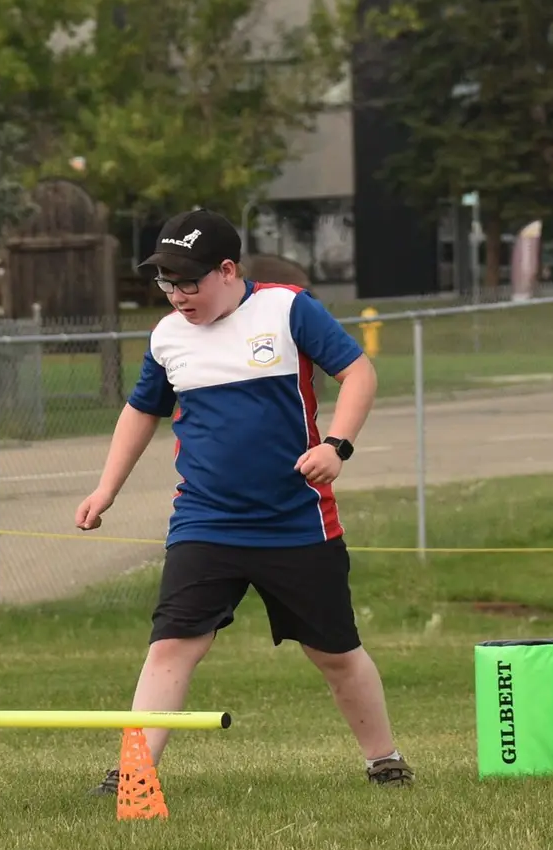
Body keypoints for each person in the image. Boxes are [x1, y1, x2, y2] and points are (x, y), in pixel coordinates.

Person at [74, 210, 413, 791]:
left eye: (187, 282)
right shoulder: (167, 336)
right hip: (205, 522)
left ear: (226, 270)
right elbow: (140, 411)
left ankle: (384, 759)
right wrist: (106, 488)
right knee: (173, 645)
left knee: (335, 653)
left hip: (296, 522)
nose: (177, 295)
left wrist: (337, 446)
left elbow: (358, 373)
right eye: (165, 282)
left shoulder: (287, 309)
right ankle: (133, 773)